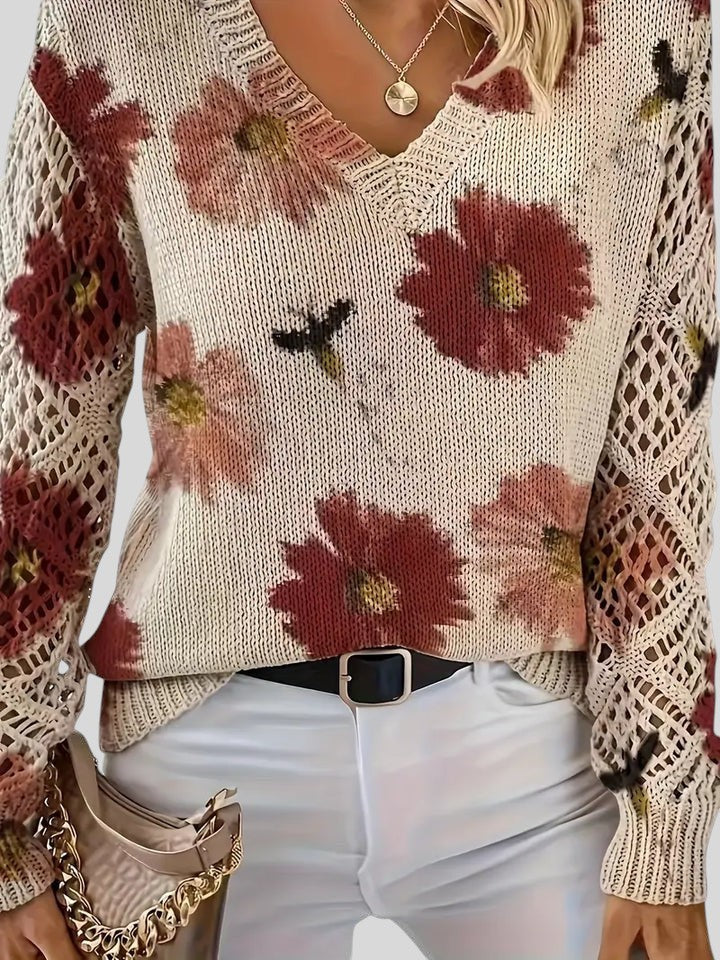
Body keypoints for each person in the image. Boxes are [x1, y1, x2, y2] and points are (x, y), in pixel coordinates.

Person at [0, 0, 718, 957]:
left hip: (534, 765)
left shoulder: (640, 28)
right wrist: (5, 835)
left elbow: (657, 462)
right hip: (196, 784)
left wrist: (666, 823)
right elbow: (35, 448)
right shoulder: (123, 28)